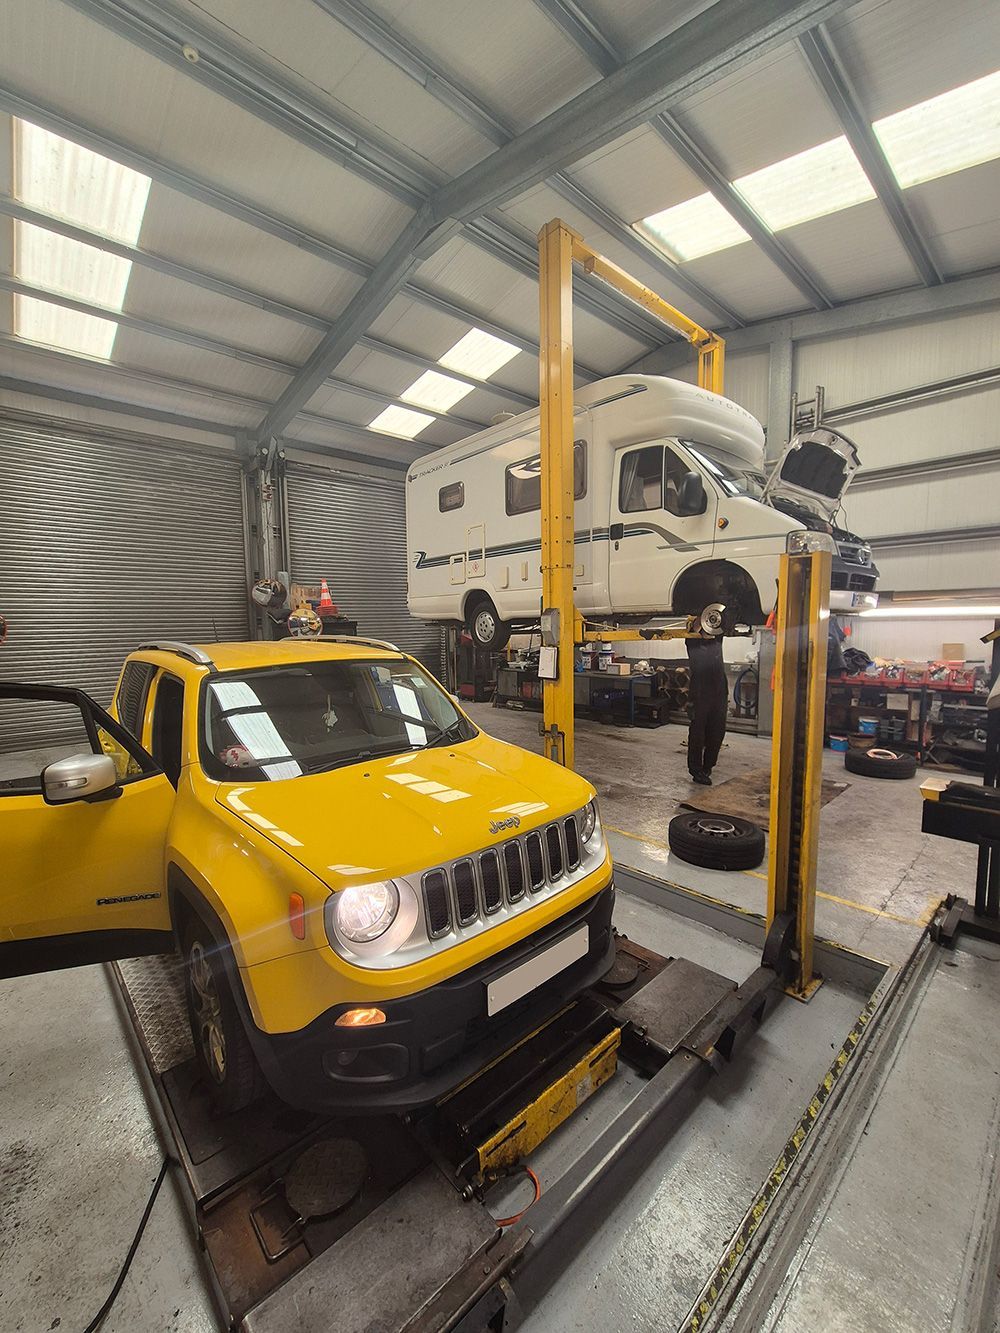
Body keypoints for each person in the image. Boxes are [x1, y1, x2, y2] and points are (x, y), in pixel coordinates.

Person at [686, 636, 728, 785]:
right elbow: (692, 632)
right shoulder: (693, 640)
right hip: (700, 691)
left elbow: (720, 626)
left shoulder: (717, 638)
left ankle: (708, 766)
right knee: (698, 734)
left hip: (719, 691)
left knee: (717, 732)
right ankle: (696, 770)